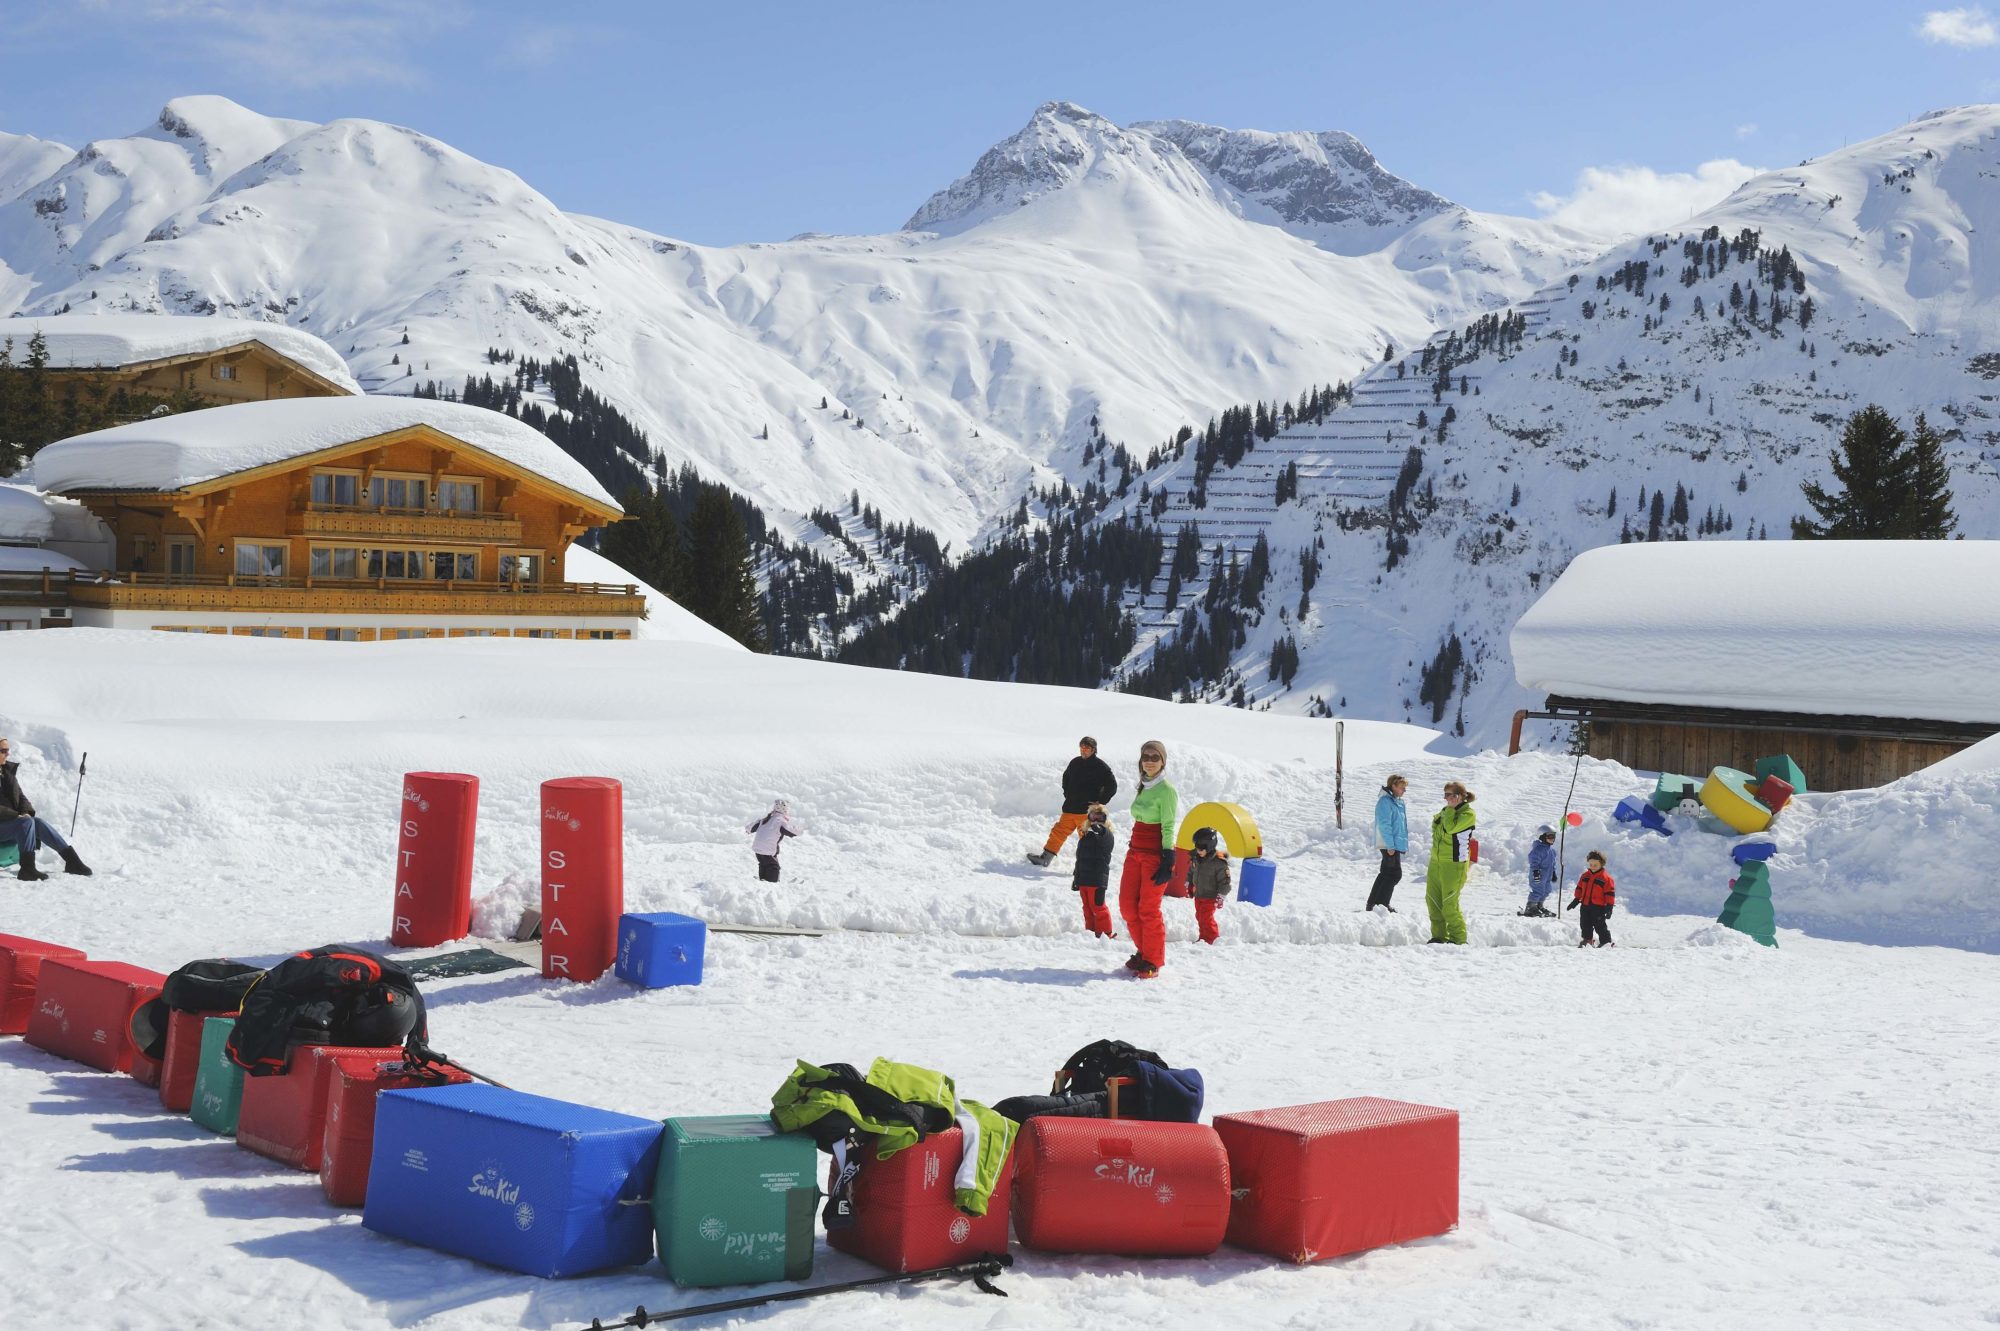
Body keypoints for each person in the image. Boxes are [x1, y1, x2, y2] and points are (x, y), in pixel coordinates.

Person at [1118, 739, 1178, 978]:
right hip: (1135, 852)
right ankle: (1143, 952)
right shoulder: (1144, 785)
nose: (1150, 762)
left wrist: (1168, 858)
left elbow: (1168, 825)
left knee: (1148, 909)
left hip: (1155, 855)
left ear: (1163, 762)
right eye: (1146, 757)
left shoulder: (1167, 791)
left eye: (1155, 757)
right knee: (1127, 906)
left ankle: (1152, 960)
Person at [0, 738, 92, 881]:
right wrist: (15, 815)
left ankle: (72, 861)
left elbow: (21, 796)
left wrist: (25, 812)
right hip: (5, 823)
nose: (8, 754)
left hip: (9, 823)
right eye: (3, 751)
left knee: (36, 822)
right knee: (26, 823)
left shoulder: (7, 773)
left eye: (8, 750)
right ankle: (27, 869)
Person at [1028, 736, 1117, 867]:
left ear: (1093, 750)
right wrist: (1068, 794)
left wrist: (1100, 801)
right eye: (1081, 747)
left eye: (1087, 748)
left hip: (1086, 813)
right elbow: (1066, 778)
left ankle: (1088, 865)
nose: (1083, 750)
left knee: (1088, 839)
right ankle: (1046, 857)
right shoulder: (1075, 762)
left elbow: (1112, 786)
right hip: (1070, 808)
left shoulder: (1101, 767)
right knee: (1058, 832)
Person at [1424, 781, 1477, 945]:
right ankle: (1439, 936)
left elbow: (1450, 828)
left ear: (1459, 796)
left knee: (1449, 905)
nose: (1446, 798)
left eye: (1449, 795)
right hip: (1436, 862)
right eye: (1445, 794)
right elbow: (1435, 826)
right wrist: (1448, 811)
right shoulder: (1446, 811)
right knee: (1433, 901)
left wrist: (1450, 810)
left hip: (1454, 865)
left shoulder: (1467, 814)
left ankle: (1459, 940)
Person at [1071, 803, 1116, 938]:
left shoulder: (1106, 836)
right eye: (1093, 817)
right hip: (1084, 879)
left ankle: (1105, 934)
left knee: (1098, 907)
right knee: (1087, 907)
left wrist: (1101, 830)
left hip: (1097, 880)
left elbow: (1106, 838)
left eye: (1100, 818)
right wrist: (1076, 878)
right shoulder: (1085, 837)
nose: (1096, 821)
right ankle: (1090, 932)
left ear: (1105, 819)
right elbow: (1079, 858)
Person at [1365, 774, 1409, 911]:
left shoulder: (1397, 801)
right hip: (1388, 844)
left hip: (1393, 843)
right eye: (1402, 787)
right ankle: (1381, 904)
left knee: (1386, 873)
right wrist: (1390, 845)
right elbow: (1384, 825)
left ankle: (1373, 904)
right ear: (1393, 786)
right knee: (1394, 874)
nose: (1404, 790)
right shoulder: (1385, 802)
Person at [1187, 825, 1232, 944]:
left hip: (1210, 897)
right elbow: (1191, 871)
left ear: (1210, 846)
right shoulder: (1196, 859)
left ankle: (1212, 940)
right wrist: (1189, 883)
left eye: (1201, 849)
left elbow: (1225, 882)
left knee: (1206, 918)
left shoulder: (1219, 863)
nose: (1198, 851)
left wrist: (1222, 895)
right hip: (1199, 894)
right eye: (1196, 848)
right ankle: (1203, 938)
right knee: (1200, 917)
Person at [1567, 850, 1616, 948]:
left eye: (1595, 865)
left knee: (1600, 925)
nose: (1592, 867)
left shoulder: (1606, 878)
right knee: (1585, 924)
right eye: (1591, 864)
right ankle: (1587, 940)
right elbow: (1580, 888)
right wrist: (1576, 900)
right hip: (1585, 905)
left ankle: (1606, 942)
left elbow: (1609, 893)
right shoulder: (1585, 876)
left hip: (1598, 907)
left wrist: (1609, 907)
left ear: (1601, 864)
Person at [746, 799, 799, 882]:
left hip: (757, 848)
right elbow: (792, 832)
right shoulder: (781, 821)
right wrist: (801, 829)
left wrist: (748, 830)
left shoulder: (765, 819)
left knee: (763, 863)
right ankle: (772, 882)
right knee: (773, 867)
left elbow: (749, 828)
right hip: (768, 850)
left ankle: (763, 879)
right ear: (786, 810)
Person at [1522, 824, 1559, 917]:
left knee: (1547, 890)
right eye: (1550, 836)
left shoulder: (1552, 851)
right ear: (1542, 836)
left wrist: (1554, 873)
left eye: (1553, 836)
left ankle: (1538, 905)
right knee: (1538, 890)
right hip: (1538, 874)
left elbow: (1553, 863)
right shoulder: (1538, 849)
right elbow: (1533, 859)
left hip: (1547, 875)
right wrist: (1535, 871)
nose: (1552, 838)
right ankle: (1530, 907)